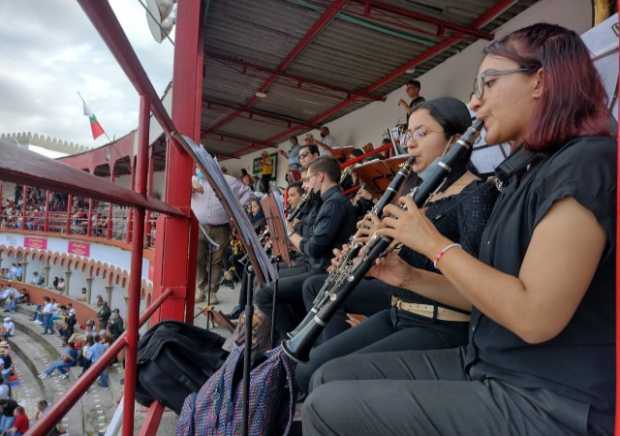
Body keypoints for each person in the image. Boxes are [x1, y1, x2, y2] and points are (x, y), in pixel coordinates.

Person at [303, 23, 615, 436]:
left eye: (489, 83)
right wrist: (406, 275)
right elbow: (488, 294)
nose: (475, 101)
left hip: (546, 397)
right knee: (326, 377)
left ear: (540, 80)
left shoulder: (588, 163)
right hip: (486, 362)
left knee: (326, 408)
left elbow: (534, 316)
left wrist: (433, 244)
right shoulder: (523, 173)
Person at [295, 97, 497, 392]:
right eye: (408, 134)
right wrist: (371, 253)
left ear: (455, 140)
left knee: (326, 378)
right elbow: (401, 265)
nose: (410, 145)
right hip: (399, 310)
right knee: (305, 371)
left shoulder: (475, 195)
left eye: (421, 134)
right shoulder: (420, 194)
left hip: (440, 324)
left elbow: (480, 292)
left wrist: (407, 259)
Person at [255, 157, 357, 342]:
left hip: (321, 270)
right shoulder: (327, 201)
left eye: (310, 179)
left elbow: (313, 248)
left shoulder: (334, 203)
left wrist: (289, 232)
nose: (308, 184)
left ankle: (292, 340)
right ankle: (279, 337)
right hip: (316, 265)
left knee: (263, 295)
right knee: (267, 276)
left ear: (321, 177)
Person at [191, 167, 252, 303]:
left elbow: (247, 192)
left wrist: (236, 211)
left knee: (217, 261)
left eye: (202, 167)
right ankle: (201, 289)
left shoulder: (228, 181)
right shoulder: (194, 180)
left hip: (221, 228)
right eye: (198, 168)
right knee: (197, 259)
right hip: (200, 226)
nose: (200, 170)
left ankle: (212, 292)